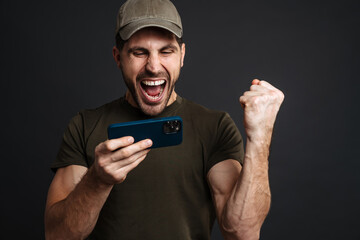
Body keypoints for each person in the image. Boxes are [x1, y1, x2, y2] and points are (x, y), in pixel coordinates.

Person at [44, 0, 284, 239]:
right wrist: (97, 181)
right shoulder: (84, 126)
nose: (153, 66)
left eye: (166, 51)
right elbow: (57, 236)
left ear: (182, 55)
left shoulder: (215, 127)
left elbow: (242, 233)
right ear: (118, 58)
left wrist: (260, 137)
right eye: (139, 52)